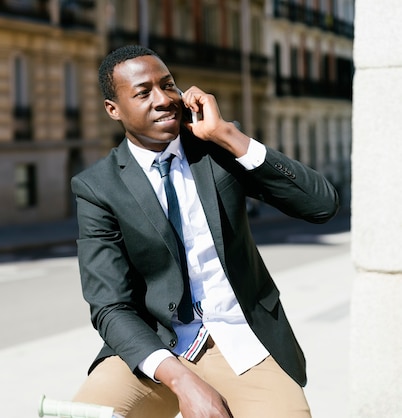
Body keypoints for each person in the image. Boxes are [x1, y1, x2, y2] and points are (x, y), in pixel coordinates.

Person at [70, 45, 339, 418]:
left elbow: (322, 205)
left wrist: (228, 135)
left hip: (243, 338)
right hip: (156, 347)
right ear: (113, 109)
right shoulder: (98, 188)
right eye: (144, 92)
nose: (164, 100)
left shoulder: (215, 149)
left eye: (168, 85)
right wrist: (182, 381)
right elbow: (110, 305)